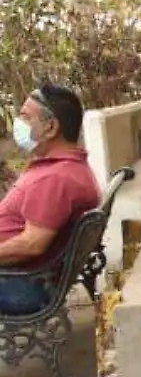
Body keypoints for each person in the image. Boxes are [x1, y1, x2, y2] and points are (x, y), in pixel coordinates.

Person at [0, 85, 101, 316]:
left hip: (20, 285)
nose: (18, 123)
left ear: (51, 127)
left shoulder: (56, 179)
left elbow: (32, 244)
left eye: (25, 117)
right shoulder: (63, 169)